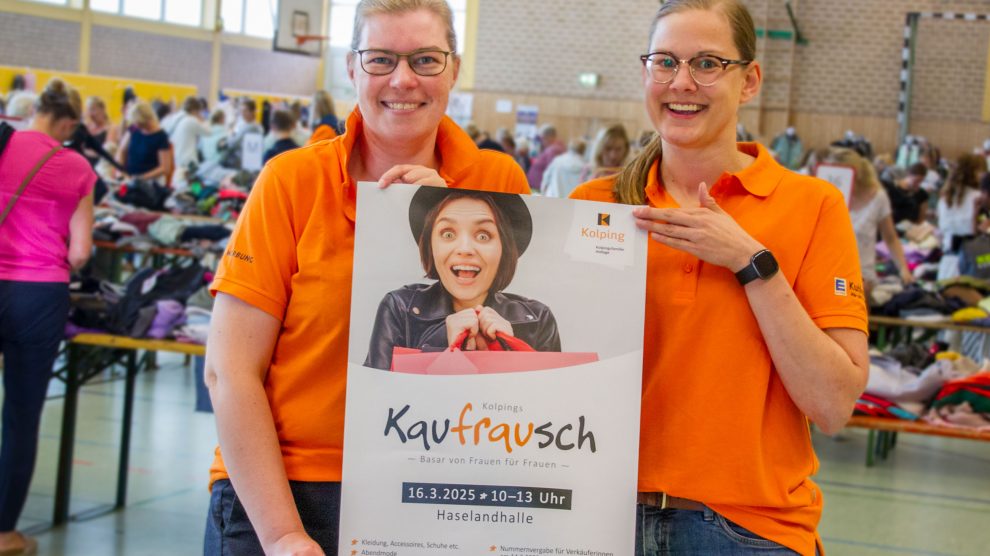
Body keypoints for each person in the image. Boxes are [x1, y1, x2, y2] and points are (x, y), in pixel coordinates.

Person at [202, 0, 530, 554]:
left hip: (439, 485)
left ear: (453, 69)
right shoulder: (291, 180)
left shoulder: (497, 180)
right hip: (288, 491)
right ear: (352, 69)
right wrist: (283, 533)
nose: (403, 79)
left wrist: (441, 207)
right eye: (380, 59)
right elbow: (229, 371)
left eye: (425, 59)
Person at [570, 1, 869, 554]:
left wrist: (752, 263)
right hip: (601, 520)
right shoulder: (595, 205)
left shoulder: (812, 206)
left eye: (707, 63)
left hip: (747, 531)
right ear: (646, 73)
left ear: (749, 80)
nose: (682, 82)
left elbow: (833, 404)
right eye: (665, 62)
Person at [0, 78, 96, 556]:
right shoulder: (76, 166)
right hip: (39, 296)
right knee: (21, 414)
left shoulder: (2, 142)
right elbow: (80, 252)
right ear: (70, 122)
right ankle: (4, 532)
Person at [364, 188, 559, 369]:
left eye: (483, 236)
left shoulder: (538, 319)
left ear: (503, 250)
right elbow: (375, 398)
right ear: (431, 246)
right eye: (448, 234)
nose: (465, 249)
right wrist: (442, 346)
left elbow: (550, 401)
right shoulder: (399, 308)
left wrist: (509, 352)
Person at [823, 147, 914, 298]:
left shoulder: (878, 197)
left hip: (860, 275)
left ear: (853, 173)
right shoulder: (827, 196)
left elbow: (890, 237)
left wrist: (903, 269)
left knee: (845, 298)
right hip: (825, 271)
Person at [936, 153, 985, 280]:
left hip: (947, 262)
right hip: (973, 262)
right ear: (975, 172)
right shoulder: (979, 198)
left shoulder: (944, 198)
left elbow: (941, 233)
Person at [117, 100, 173, 184]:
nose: (136, 126)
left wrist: (141, 178)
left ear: (145, 119)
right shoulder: (133, 129)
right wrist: (120, 171)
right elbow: (122, 150)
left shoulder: (161, 136)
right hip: (129, 179)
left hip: (150, 183)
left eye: (138, 123)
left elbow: (165, 168)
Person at [526, 123, 565, 192]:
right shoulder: (553, 148)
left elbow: (551, 172)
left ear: (550, 137)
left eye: (543, 138)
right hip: (538, 187)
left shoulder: (552, 150)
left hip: (540, 189)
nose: (542, 141)